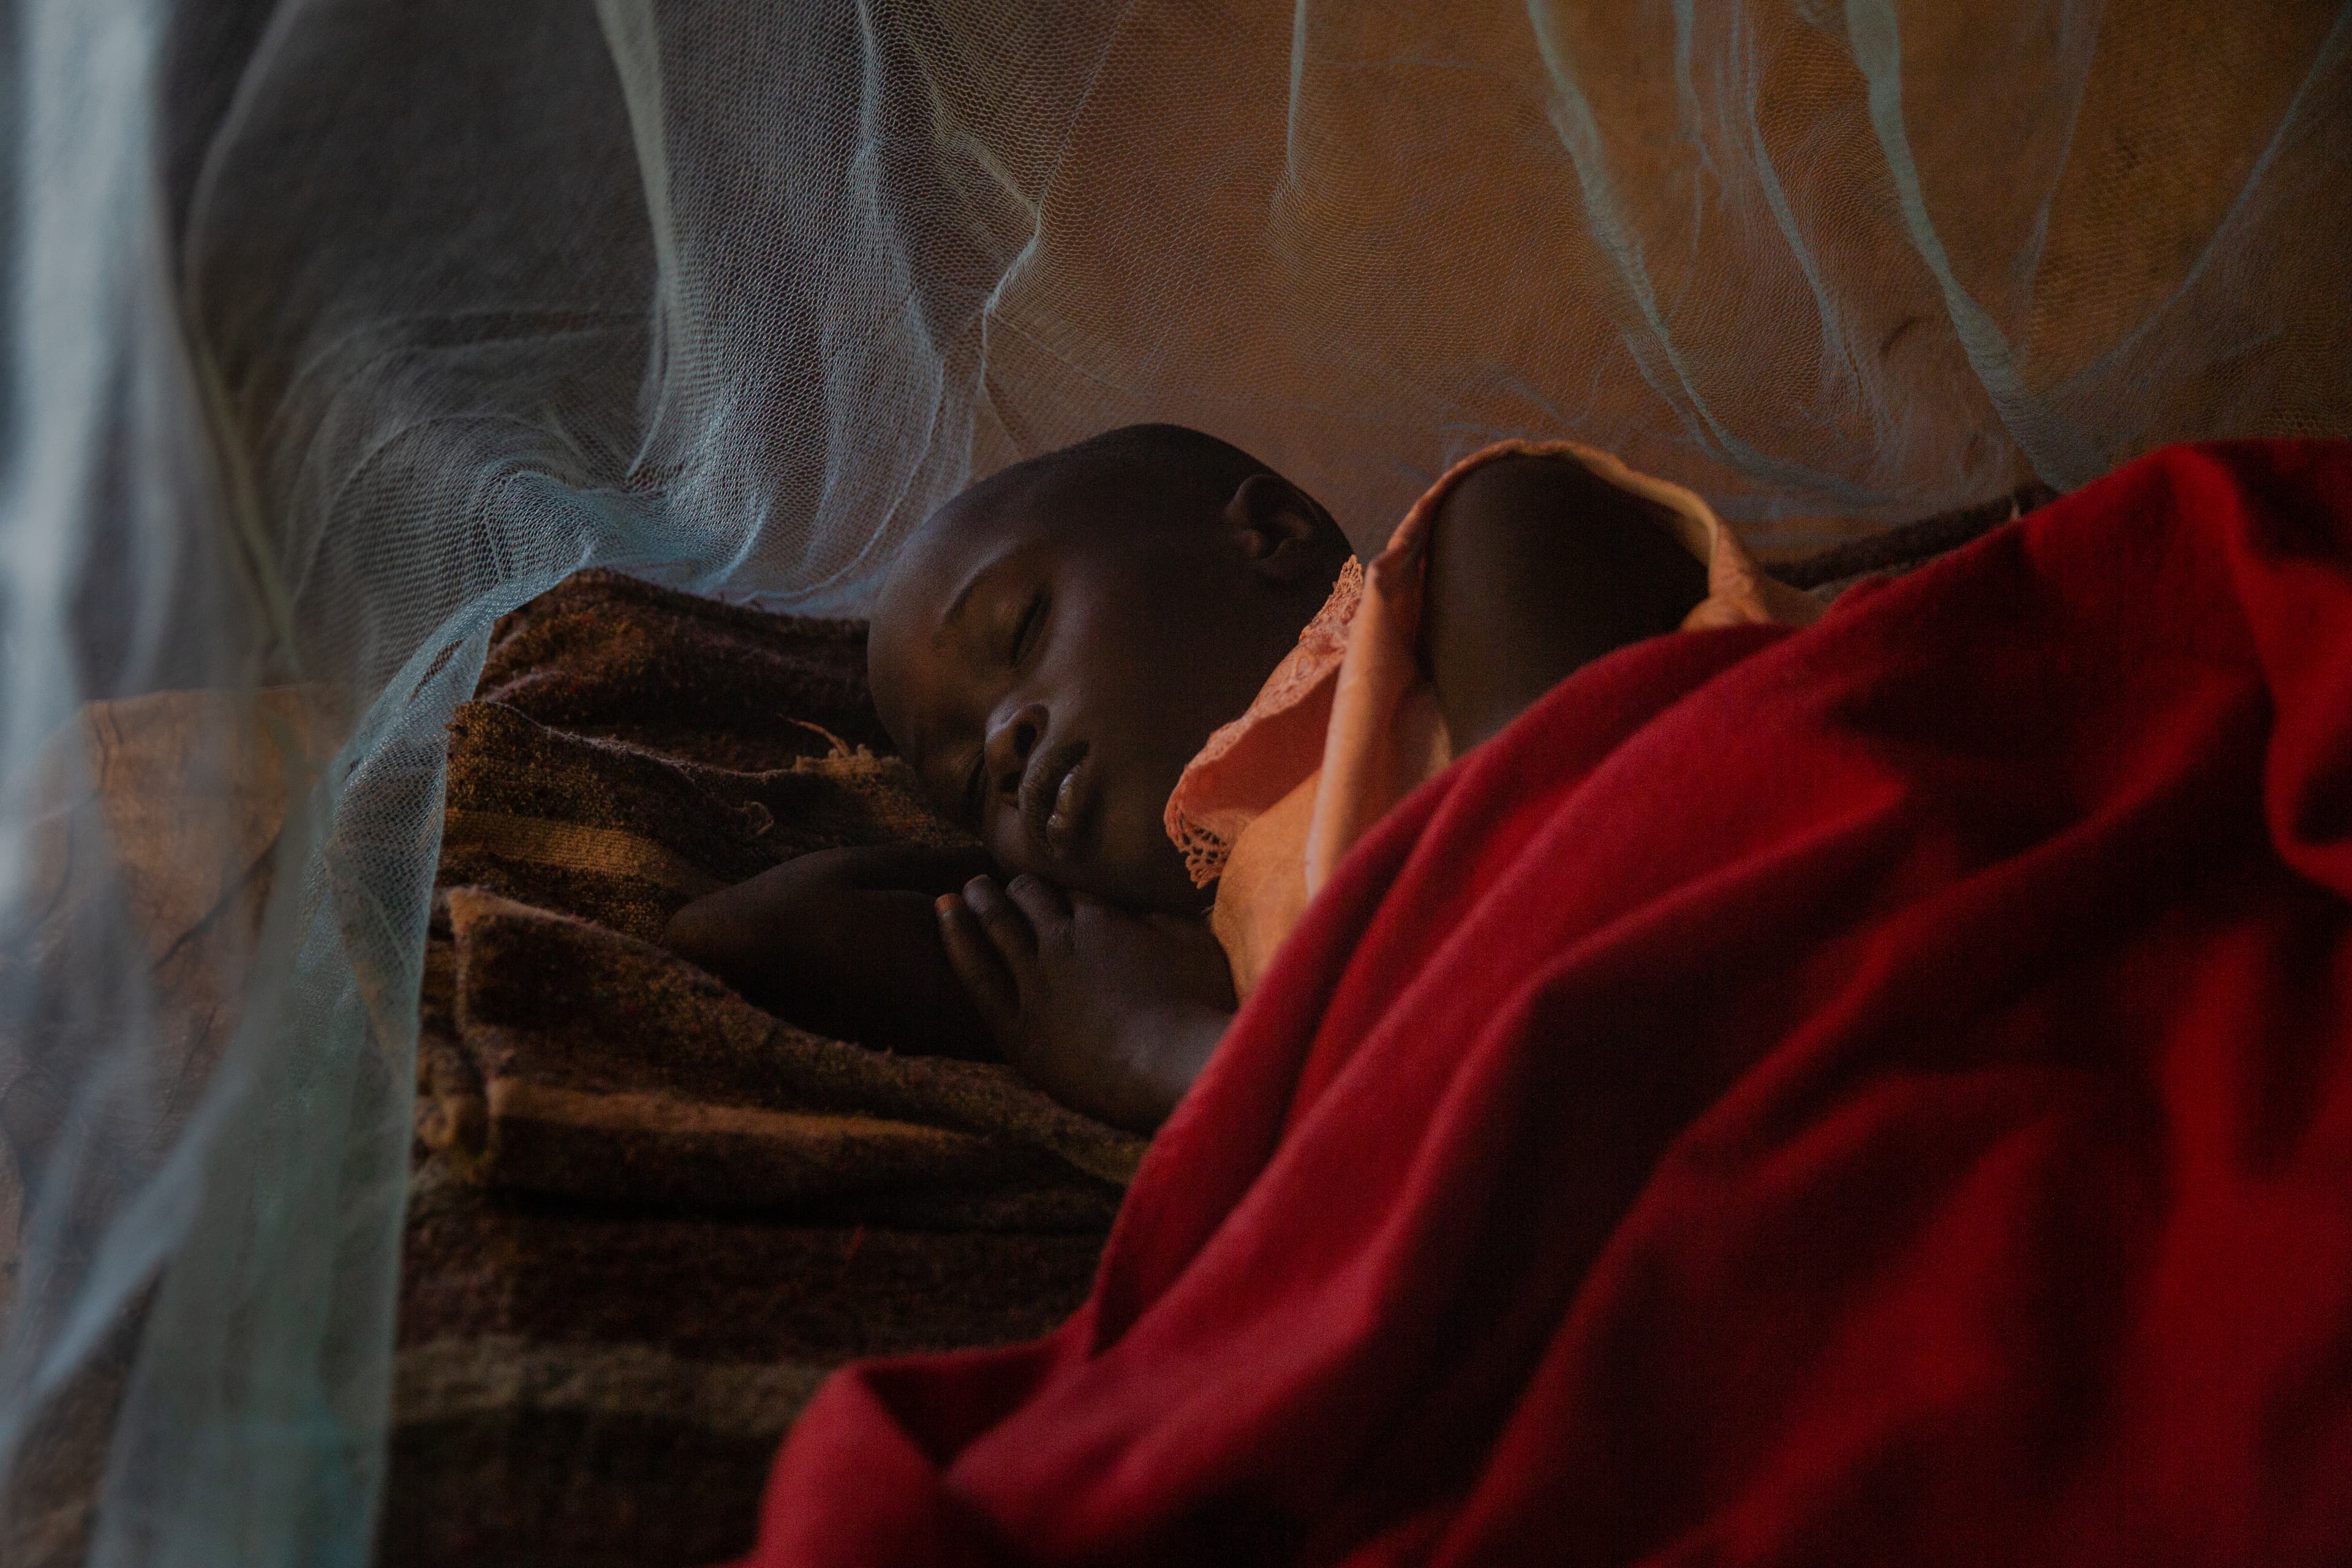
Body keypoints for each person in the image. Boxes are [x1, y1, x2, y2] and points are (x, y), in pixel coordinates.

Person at [665, 423, 1755, 1131]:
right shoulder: (1172, 953)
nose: (1002, 744)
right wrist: (1045, 897)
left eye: (1024, 627)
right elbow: (750, 933)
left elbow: (1564, 914)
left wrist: (1172, 1060)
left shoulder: (1483, 546)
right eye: (968, 782)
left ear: (1270, 537)